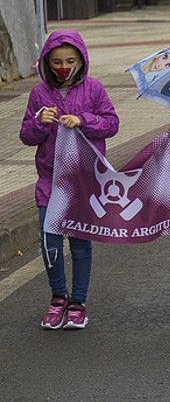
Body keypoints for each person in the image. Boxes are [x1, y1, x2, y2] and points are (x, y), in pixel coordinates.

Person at [19, 31, 118, 331]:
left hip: (83, 182)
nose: (64, 66)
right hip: (49, 183)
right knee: (49, 243)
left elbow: (112, 123)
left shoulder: (95, 89)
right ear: (47, 61)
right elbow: (25, 135)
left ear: (81, 60)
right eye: (57, 61)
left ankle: (78, 302)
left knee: (79, 244)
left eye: (70, 61)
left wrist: (84, 121)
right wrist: (39, 122)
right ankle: (58, 297)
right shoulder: (38, 94)